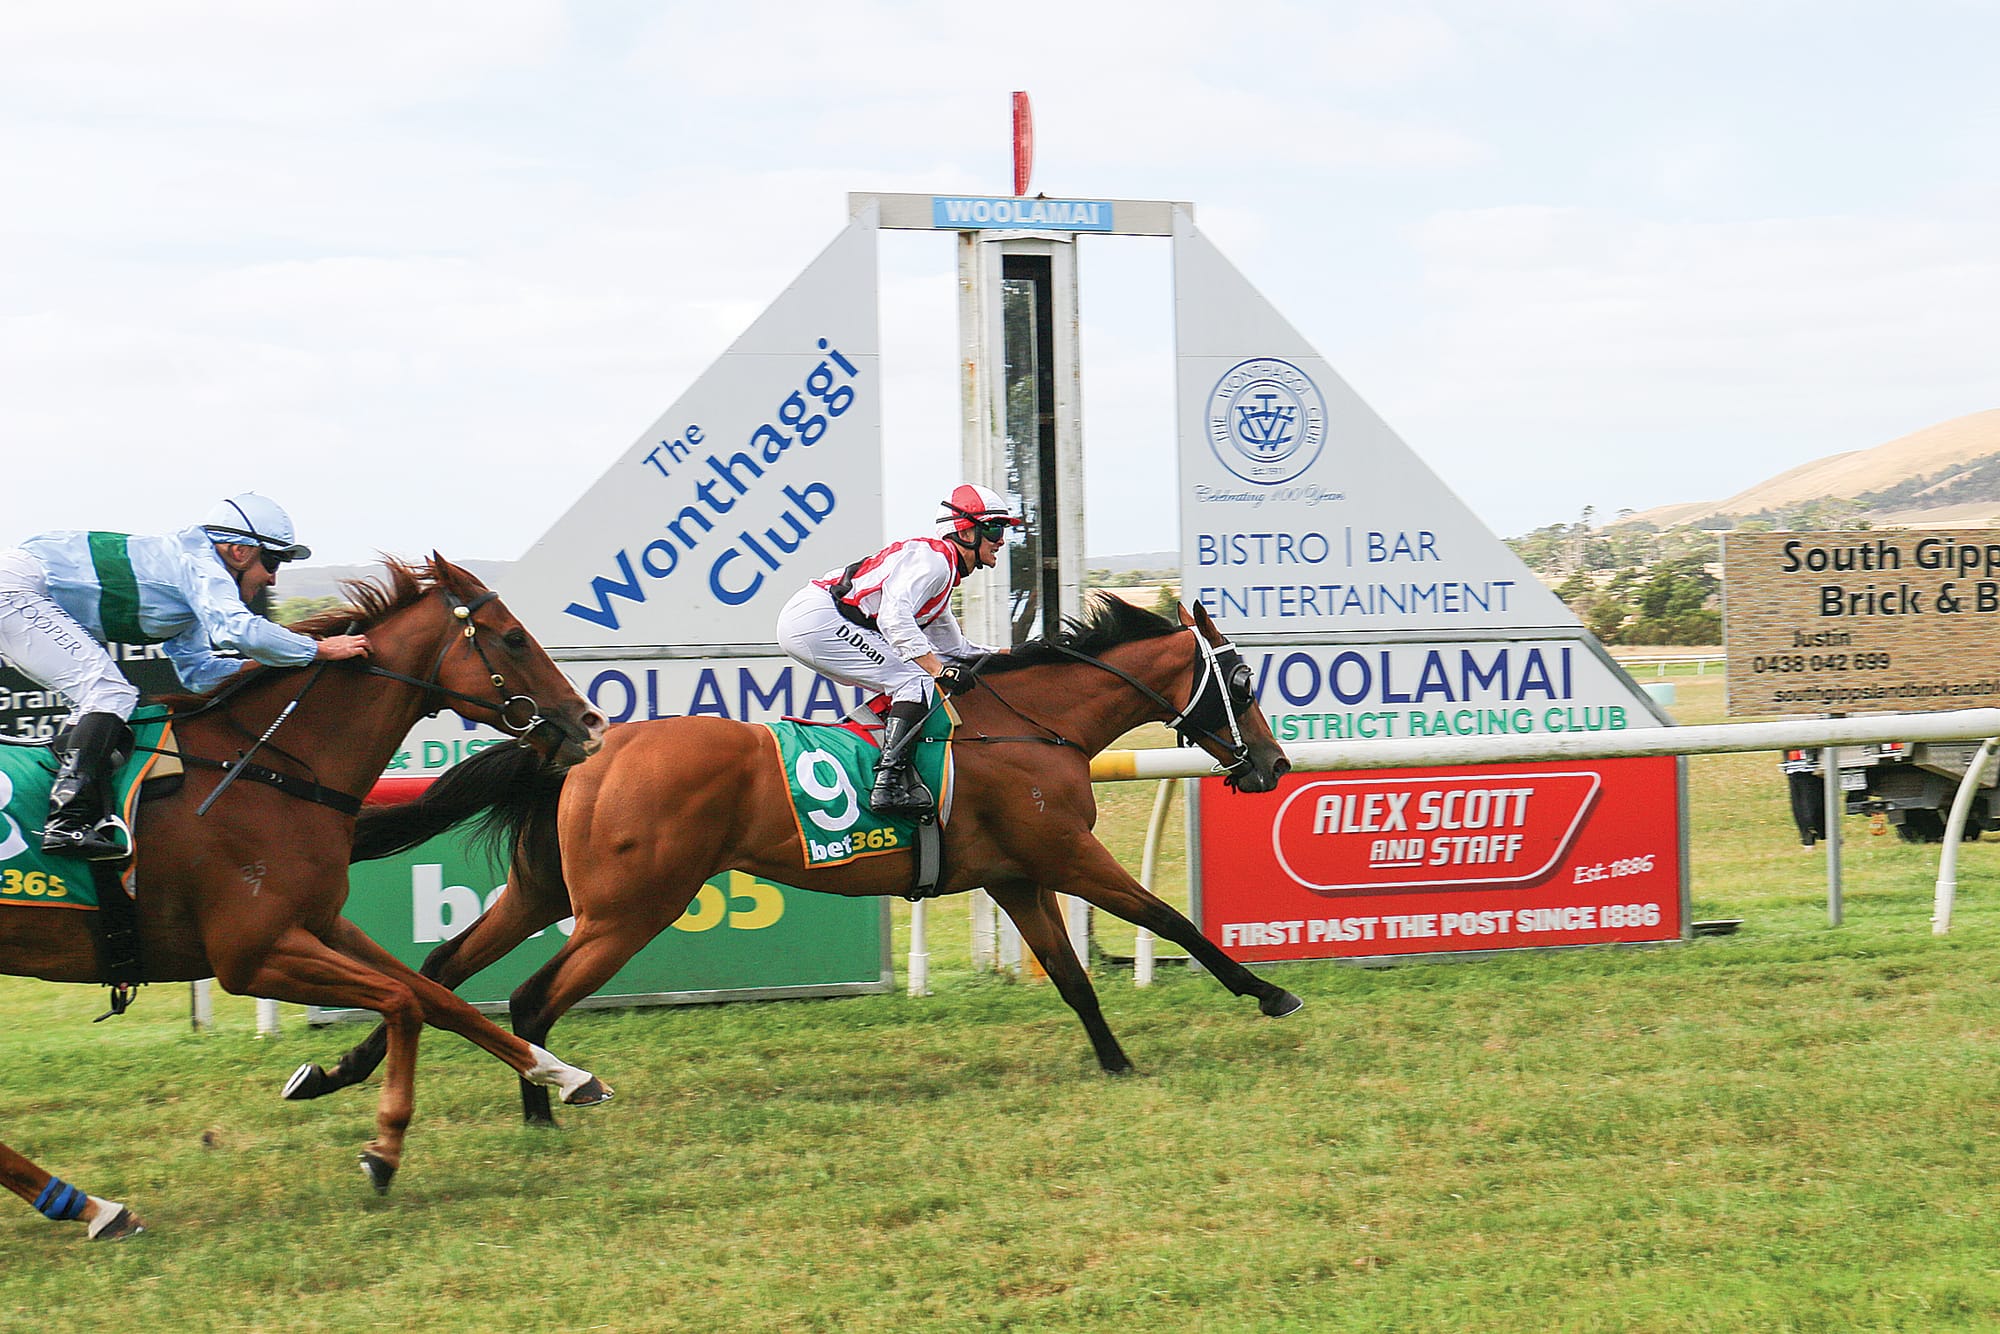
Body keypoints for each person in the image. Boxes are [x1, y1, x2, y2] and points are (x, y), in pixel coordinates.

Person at [0, 493, 371, 860]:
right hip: (16, 585)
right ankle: (66, 821)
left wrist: (274, 665)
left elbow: (199, 675)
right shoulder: (200, 565)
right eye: (272, 562)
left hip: (19, 588)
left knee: (100, 702)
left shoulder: (193, 589)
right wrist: (319, 649)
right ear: (239, 552)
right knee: (110, 693)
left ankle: (56, 804)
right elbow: (239, 630)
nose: (272, 579)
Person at [776, 482, 1024, 821]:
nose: (1001, 540)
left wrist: (1020, 656)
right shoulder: (936, 562)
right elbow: (894, 617)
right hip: (817, 618)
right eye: (994, 529)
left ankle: (879, 755)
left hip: (818, 618)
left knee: (915, 675)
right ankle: (887, 785)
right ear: (965, 532)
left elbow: (957, 650)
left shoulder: (942, 573)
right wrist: (937, 670)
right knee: (914, 680)